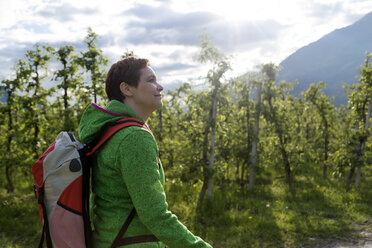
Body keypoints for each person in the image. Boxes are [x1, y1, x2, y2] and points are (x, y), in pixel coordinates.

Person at [78, 57, 213, 248]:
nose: (160, 87)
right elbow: (155, 215)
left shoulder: (109, 129)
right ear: (127, 89)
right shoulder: (134, 138)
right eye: (151, 80)